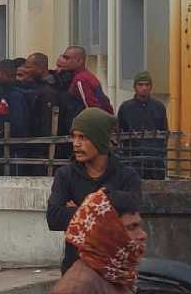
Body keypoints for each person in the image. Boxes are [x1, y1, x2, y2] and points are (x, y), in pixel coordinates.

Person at [47, 108, 141, 274]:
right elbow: (54, 218)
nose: (76, 143)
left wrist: (82, 208)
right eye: (74, 137)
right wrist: (107, 209)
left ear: (99, 140)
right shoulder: (65, 175)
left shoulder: (127, 176)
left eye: (82, 137)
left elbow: (132, 211)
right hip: (75, 270)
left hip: (116, 272)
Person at [52, 189, 147, 294]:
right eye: (131, 227)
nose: (143, 235)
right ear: (106, 234)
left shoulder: (117, 275)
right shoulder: (77, 286)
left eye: (139, 226)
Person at [117, 71, 168, 180]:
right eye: (140, 84)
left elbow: (164, 132)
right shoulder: (126, 108)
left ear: (151, 87)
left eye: (147, 84)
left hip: (154, 161)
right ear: (135, 87)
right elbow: (120, 133)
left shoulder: (159, 107)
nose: (144, 88)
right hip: (133, 159)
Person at [56, 46, 114, 114]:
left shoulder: (81, 79)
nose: (65, 61)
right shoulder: (87, 76)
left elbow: (91, 109)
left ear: (79, 61)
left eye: (67, 58)